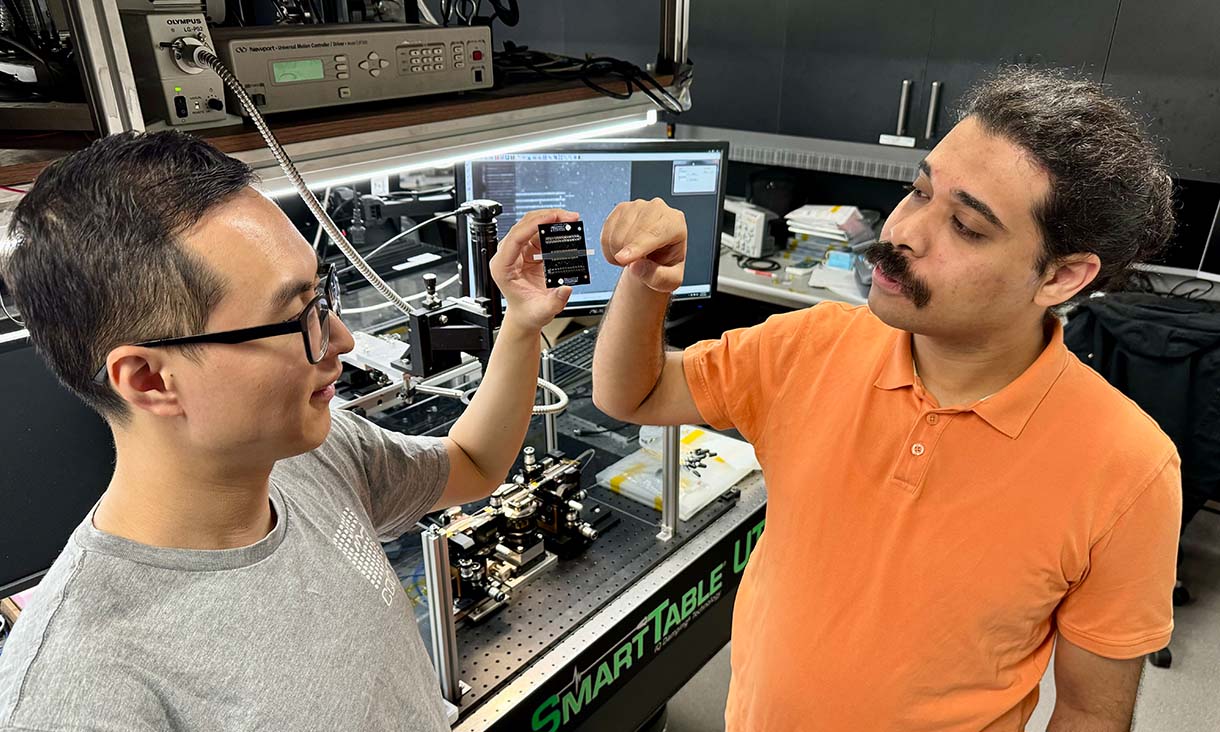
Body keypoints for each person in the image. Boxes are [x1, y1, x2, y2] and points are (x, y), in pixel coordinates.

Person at [592, 68, 1182, 731]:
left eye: (965, 225)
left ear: (1062, 275)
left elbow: (1090, 712)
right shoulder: (810, 345)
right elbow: (632, 393)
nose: (904, 232)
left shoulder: (1129, 470)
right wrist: (646, 283)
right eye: (919, 190)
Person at [0, 131, 576, 730]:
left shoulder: (314, 457)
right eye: (294, 317)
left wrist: (522, 321)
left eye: (319, 295)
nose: (343, 339)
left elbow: (475, 464)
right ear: (149, 379)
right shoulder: (83, 691)